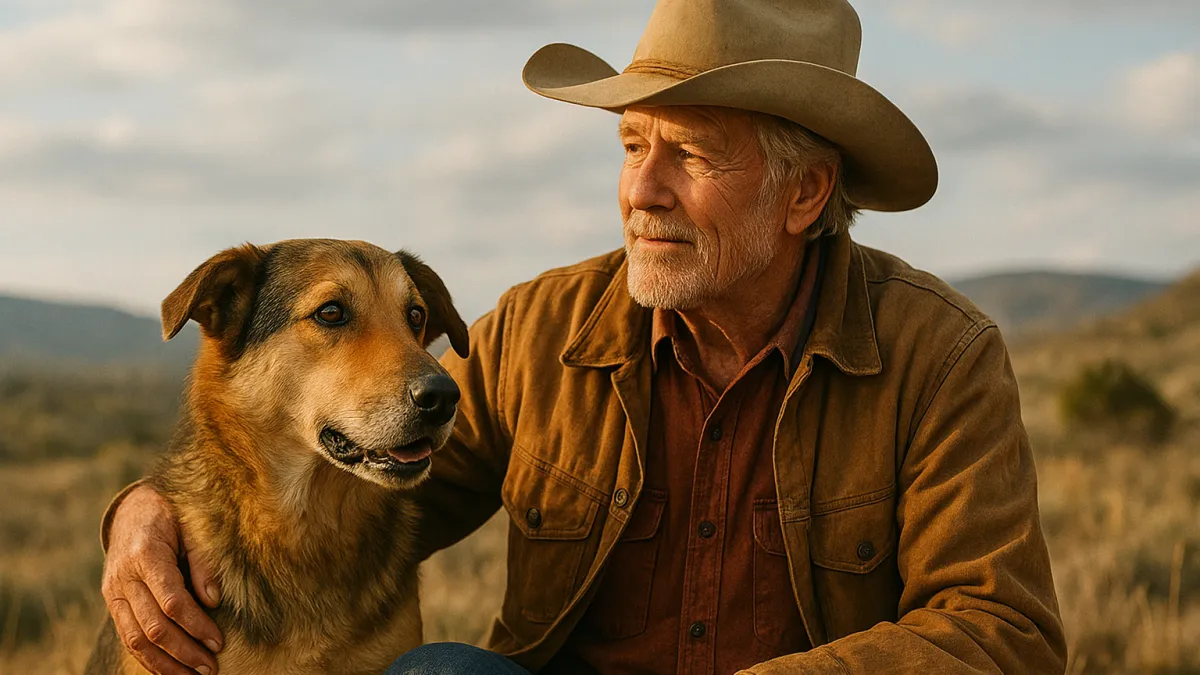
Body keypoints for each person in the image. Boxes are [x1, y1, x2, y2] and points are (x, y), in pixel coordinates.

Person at [98, 0, 1068, 673]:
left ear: (804, 193)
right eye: (633, 144)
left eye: (687, 154)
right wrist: (144, 511)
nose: (640, 192)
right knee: (439, 674)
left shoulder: (940, 357)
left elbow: (1002, 632)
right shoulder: (538, 332)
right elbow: (373, 460)